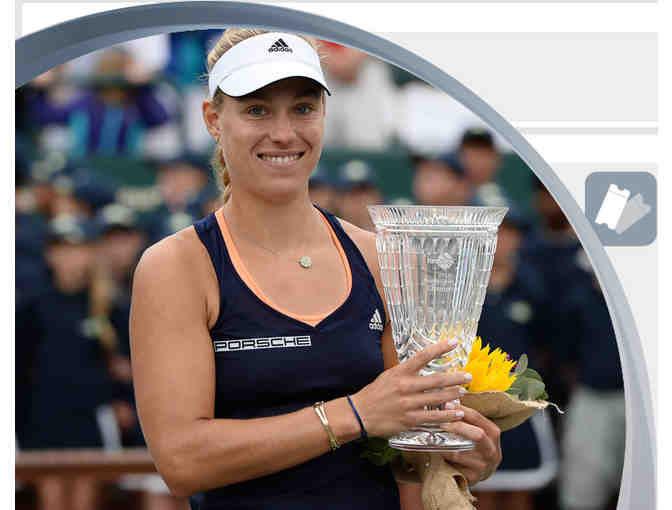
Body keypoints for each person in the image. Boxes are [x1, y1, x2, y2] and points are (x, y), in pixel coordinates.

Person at [130, 29, 502, 510]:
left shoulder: (378, 257)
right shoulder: (177, 266)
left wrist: (457, 456)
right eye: (257, 110)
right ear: (213, 120)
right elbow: (182, 461)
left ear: (324, 113)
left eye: (303, 108)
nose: (284, 133)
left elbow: (404, 449)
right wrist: (354, 414)